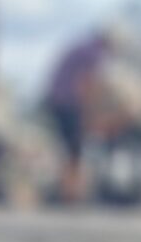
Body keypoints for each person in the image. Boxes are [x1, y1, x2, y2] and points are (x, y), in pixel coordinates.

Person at [41, 28, 113, 204]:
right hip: (68, 102)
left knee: (68, 147)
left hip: (56, 100)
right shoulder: (94, 54)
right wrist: (88, 112)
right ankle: (70, 192)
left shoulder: (82, 48)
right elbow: (85, 83)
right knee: (74, 148)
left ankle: (67, 189)